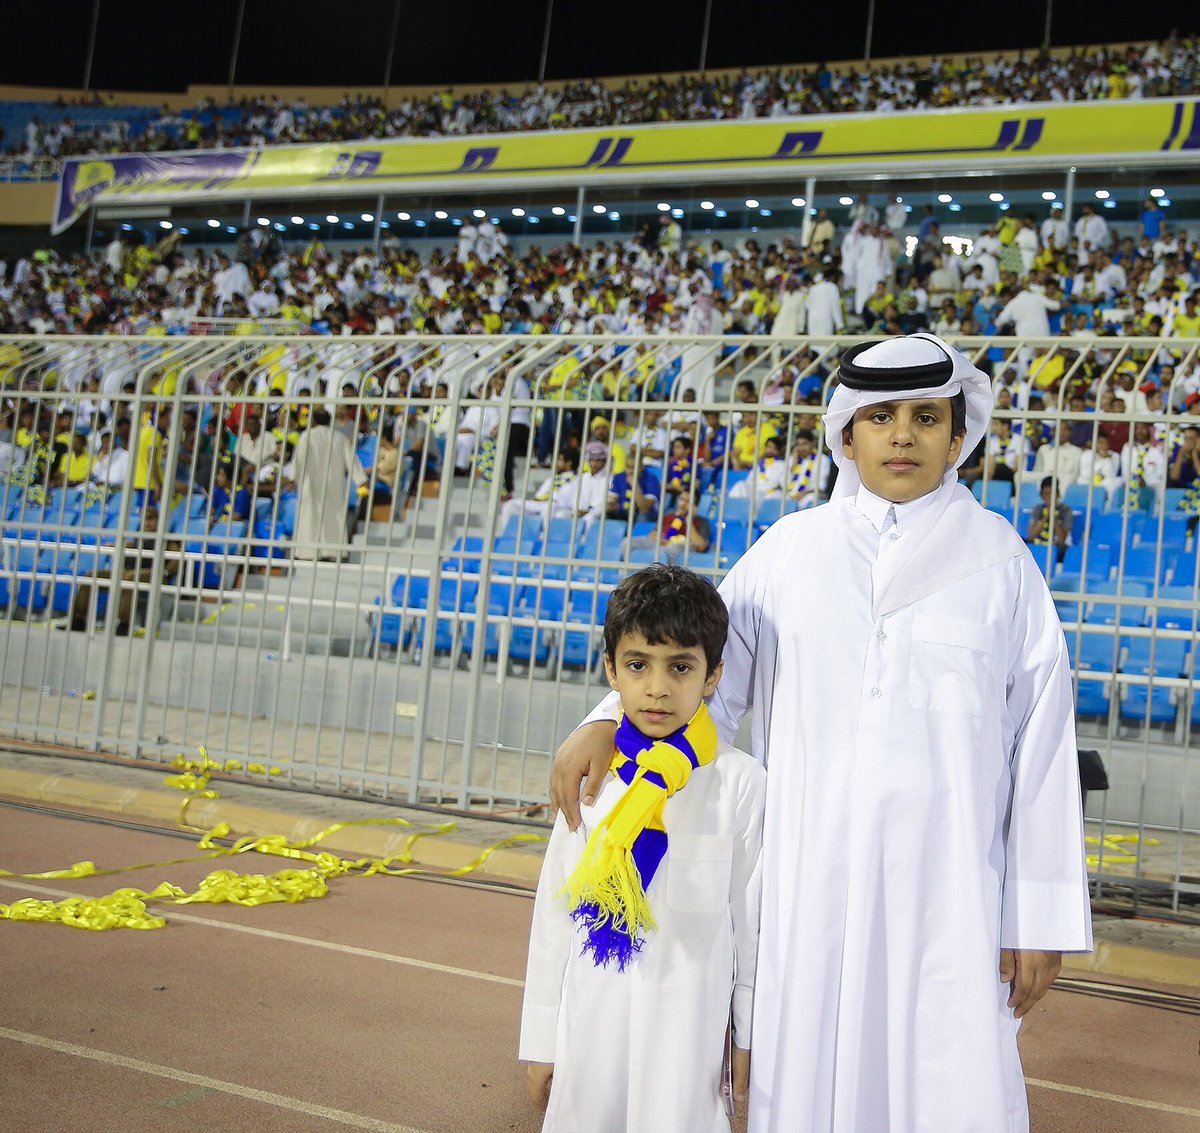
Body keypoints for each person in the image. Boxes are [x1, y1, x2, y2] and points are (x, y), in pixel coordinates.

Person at [552, 332, 1092, 1133]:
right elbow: (700, 675)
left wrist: (1036, 918)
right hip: (810, 884)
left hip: (948, 889)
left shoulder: (1001, 563)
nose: (902, 433)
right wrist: (603, 721)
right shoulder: (790, 552)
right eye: (881, 416)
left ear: (958, 436)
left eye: (924, 416)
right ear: (847, 434)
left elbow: (1042, 749)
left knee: (949, 1079)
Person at [521, 564, 765, 1131]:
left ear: (712, 676)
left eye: (681, 667)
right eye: (638, 665)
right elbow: (554, 914)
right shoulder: (593, 774)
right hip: (591, 1023)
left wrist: (747, 1035)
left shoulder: (740, 783)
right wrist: (540, 1038)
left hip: (688, 1031)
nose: (657, 687)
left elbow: (751, 924)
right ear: (612, 669)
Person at [291, 408, 366, 560]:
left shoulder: (306, 437)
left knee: (309, 518)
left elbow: (298, 460)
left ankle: (308, 552)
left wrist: (295, 478)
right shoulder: (339, 438)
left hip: (310, 483)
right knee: (333, 517)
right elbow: (351, 461)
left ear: (313, 421)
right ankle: (333, 552)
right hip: (334, 483)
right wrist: (361, 480)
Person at [1026, 476, 1073, 566]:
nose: (1049, 497)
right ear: (1041, 495)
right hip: (1039, 544)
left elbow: (1062, 539)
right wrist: (1046, 515)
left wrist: (1053, 516)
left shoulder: (1066, 510)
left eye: (1052, 494)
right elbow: (1031, 536)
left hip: (1057, 547)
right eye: (1046, 494)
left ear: (1058, 494)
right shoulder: (1038, 509)